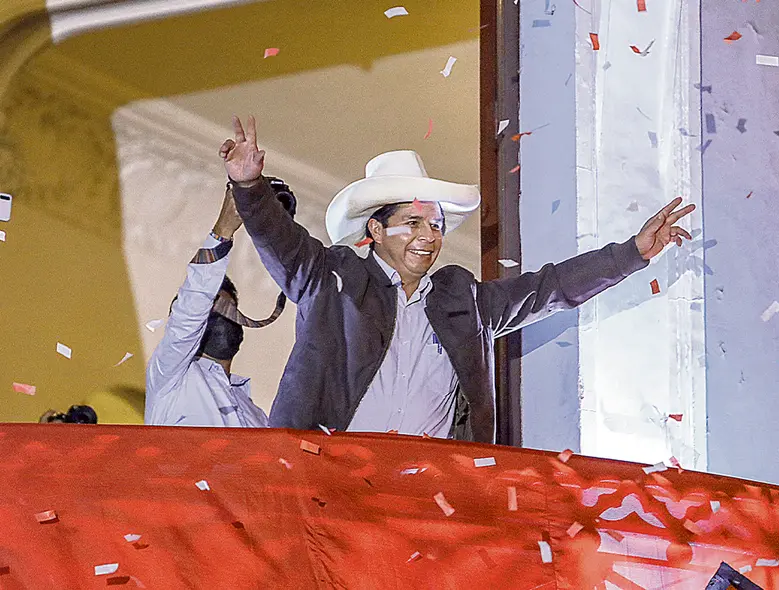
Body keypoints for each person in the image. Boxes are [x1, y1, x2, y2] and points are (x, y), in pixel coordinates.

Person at [220, 115, 695, 442]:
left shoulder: (463, 299)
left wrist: (633, 253)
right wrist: (248, 186)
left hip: (429, 498)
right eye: (413, 222)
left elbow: (552, 288)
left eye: (437, 225)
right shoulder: (334, 279)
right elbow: (280, 241)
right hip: (328, 486)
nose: (428, 235)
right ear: (376, 230)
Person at [144, 179, 297, 427]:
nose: (221, 312)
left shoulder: (256, 415)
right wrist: (223, 230)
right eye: (211, 307)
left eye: (227, 308)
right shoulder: (169, 376)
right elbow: (190, 310)